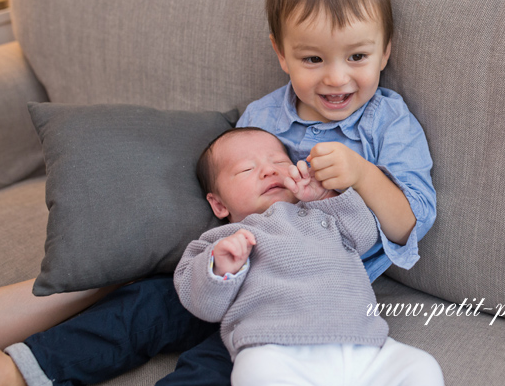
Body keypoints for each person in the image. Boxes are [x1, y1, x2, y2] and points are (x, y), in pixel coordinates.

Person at [0, 0, 436, 385]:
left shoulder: (388, 123)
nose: (336, 77)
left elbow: (409, 223)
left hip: (314, 294)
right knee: (140, 308)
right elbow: (227, 199)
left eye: (357, 56)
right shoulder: (262, 117)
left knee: (215, 367)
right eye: (312, 58)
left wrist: (362, 174)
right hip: (233, 272)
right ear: (281, 54)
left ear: (386, 51)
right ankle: (19, 373)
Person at [177, 127, 443, 384]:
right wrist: (221, 265)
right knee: (255, 373)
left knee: (421, 366)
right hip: (277, 349)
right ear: (219, 204)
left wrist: (327, 197)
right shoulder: (223, 241)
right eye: (247, 169)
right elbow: (203, 305)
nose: (269, 170)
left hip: (364, 346)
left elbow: (365, 235)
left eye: (279, 162)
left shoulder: (320, 212)